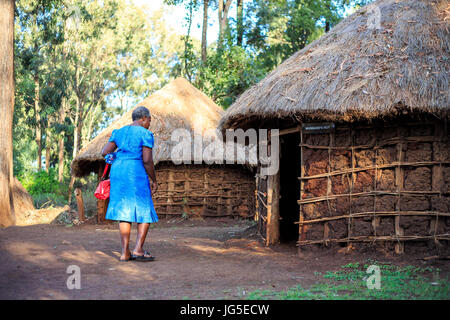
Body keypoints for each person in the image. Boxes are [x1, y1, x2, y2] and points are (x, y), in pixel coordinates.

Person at [101, 106, 158, 262]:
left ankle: (125, 252)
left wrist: (118, 160)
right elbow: (147, 160)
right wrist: (153, 180)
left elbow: (105, 152)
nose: (149, 124)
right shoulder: (146, 134)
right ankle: (138, 250)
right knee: (144, 207)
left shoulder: (118, 132)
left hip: (118, 172)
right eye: (149, 121)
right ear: (144, 118)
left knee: (124, 210)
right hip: (135, 171)